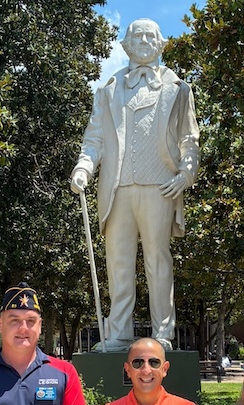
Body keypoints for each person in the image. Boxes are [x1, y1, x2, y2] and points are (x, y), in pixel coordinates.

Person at [70, 19, 200, 352]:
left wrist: (186, 174)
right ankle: (118, 334)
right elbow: (94, 138)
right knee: (119, 262)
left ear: (160, 44)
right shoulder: (109, 89)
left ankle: (162, 334)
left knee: (158, 259)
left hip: (160, 187)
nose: (143, 41)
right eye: (137, 36)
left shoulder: (179, 89)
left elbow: (189, 139)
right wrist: (84, 167)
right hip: (117, 188)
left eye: (150, 36)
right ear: (126, 45)